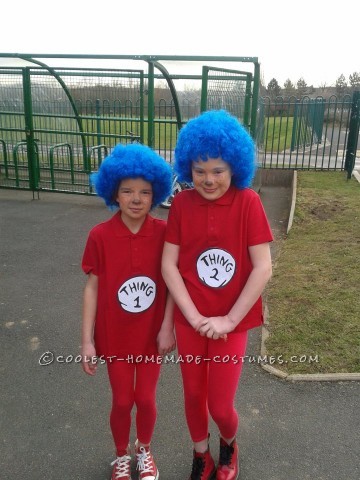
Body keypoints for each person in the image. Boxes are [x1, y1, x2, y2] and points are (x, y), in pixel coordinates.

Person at [161, 109, 273, 480]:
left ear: (234, 167)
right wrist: (191, 317)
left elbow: (262, 267)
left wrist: (228, 319)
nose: (207, 179)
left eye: (218, 171)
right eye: (199, 170)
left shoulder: (248, 204)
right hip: (191, 319)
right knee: (193, 397)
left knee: (220, 404)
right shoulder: (181, 205)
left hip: (232, 322)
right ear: (187, 167)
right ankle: (201, 455)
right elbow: (169, 265)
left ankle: (228, 444)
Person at [81, 143, 175, 480]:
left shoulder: (166, 233)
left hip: (151, 336)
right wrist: (87, 341)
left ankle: (144, 449)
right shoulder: (100, 236)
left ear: (156, 194)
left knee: (146, 400)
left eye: (145, 192)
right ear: (114, 194)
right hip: (116, 336)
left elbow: (172, 284)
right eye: (127, 191)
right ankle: (121, 455)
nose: (136, 198)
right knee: (123, 402)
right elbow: (92, 288)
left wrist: (168, 327)